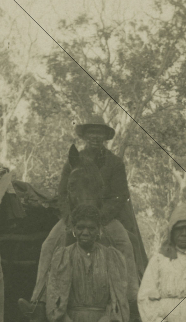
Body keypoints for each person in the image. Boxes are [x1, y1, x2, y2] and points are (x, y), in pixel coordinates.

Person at [29, 121, 146, 307]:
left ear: (105, 138)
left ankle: (132, 298)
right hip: (75, 217)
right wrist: (69, 218)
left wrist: (100, 216)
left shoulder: (115, 163)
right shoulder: (74, 160)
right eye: (91, 133)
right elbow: (62, 193)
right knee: (48, 245)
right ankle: (39, 300)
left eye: (99, 134)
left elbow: (119, 195)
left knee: (125, 243)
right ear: (85, 136)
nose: (95, 137)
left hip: (103, 217)